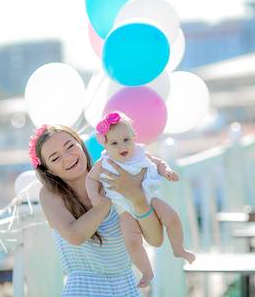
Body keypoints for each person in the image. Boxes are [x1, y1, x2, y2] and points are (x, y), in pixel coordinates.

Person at [30, 124, 164, 296]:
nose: (67, 157)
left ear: (80, 144)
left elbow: (156, 239)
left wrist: (136, 198)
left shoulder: (115, 176)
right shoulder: (51, 194)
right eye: (55, 158)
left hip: (127, 287)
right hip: (84, 289)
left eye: (70, 146)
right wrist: (104, 204)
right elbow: (75, 236)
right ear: (49, 170)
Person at [86, 112, 196, 288]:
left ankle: (179, 248)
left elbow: (159, 163)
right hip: (123, 208)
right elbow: (91, 179)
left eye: (126, 140)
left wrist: (166, 171)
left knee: (173, 218)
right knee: (132, 241)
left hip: (149, 198)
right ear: (105, 144)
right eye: (114, 143)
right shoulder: (103, 162)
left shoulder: (141, 153)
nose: (122, 146)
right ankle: (146, 271)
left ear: (134, 138)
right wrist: (94, 196)